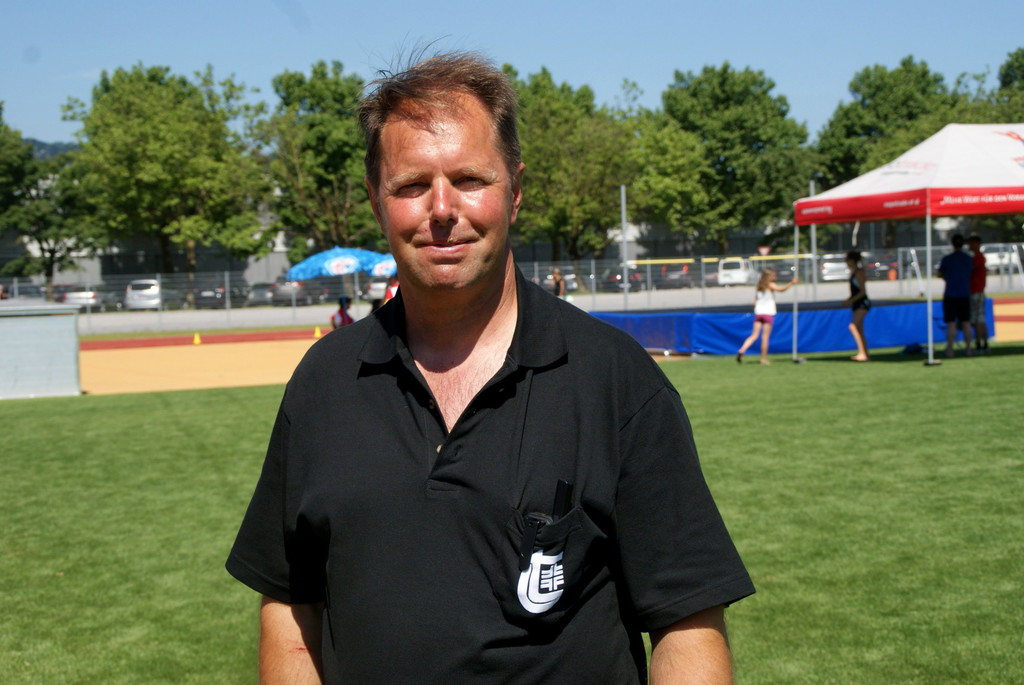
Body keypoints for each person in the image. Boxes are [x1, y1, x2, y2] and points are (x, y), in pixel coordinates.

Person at [226, 52, 753, 684]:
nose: (442, 208)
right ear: (375, 200)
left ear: (515, 190)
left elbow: (687, 624)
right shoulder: (324, 383)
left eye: (470, 179)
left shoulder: (615, 380)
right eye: (411, 185)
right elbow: (291, 604)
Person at [736, 267, 797, 365]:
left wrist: (757, 308)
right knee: (765, 337)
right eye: (773, 275)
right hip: (768, 313)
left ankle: (742, 349)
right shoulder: (771, 285)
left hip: (759, 313)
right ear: (769, 277)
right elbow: (781, 290)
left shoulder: (759, 286)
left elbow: (755, 301)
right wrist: (791, 283)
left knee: (754, 335)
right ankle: (763, 359)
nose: (775, 277)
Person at [938, 233, 974, 357]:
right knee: (966, 322)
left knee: (951, 323)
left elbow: (940, 273)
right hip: (964, 294)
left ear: (952, 244)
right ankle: (968, 349)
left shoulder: (947, 259)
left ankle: (950, 350)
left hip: (951, 294)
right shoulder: (968, 259)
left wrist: (949, 278)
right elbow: (970, 273)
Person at [842, 250, 871, 362]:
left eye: (847, 260)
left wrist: (850, 300)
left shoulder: (859, 272)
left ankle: (862, 353)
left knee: (853, 326)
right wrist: (849, 299)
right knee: (859, 329)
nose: (846, 262)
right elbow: (855, 291)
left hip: (862, 303)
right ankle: (865, 354)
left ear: (852, 260)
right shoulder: (853, 272)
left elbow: (863, 292)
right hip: (856, 302)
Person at [967, 233, 989, 354]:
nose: (969, 246)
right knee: (979, 318)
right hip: (977, 291)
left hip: (976, 291)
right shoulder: (978, 257)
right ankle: (983, 344)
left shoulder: (978, 258)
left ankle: (980, 344)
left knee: (977, 320)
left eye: (971, 243)